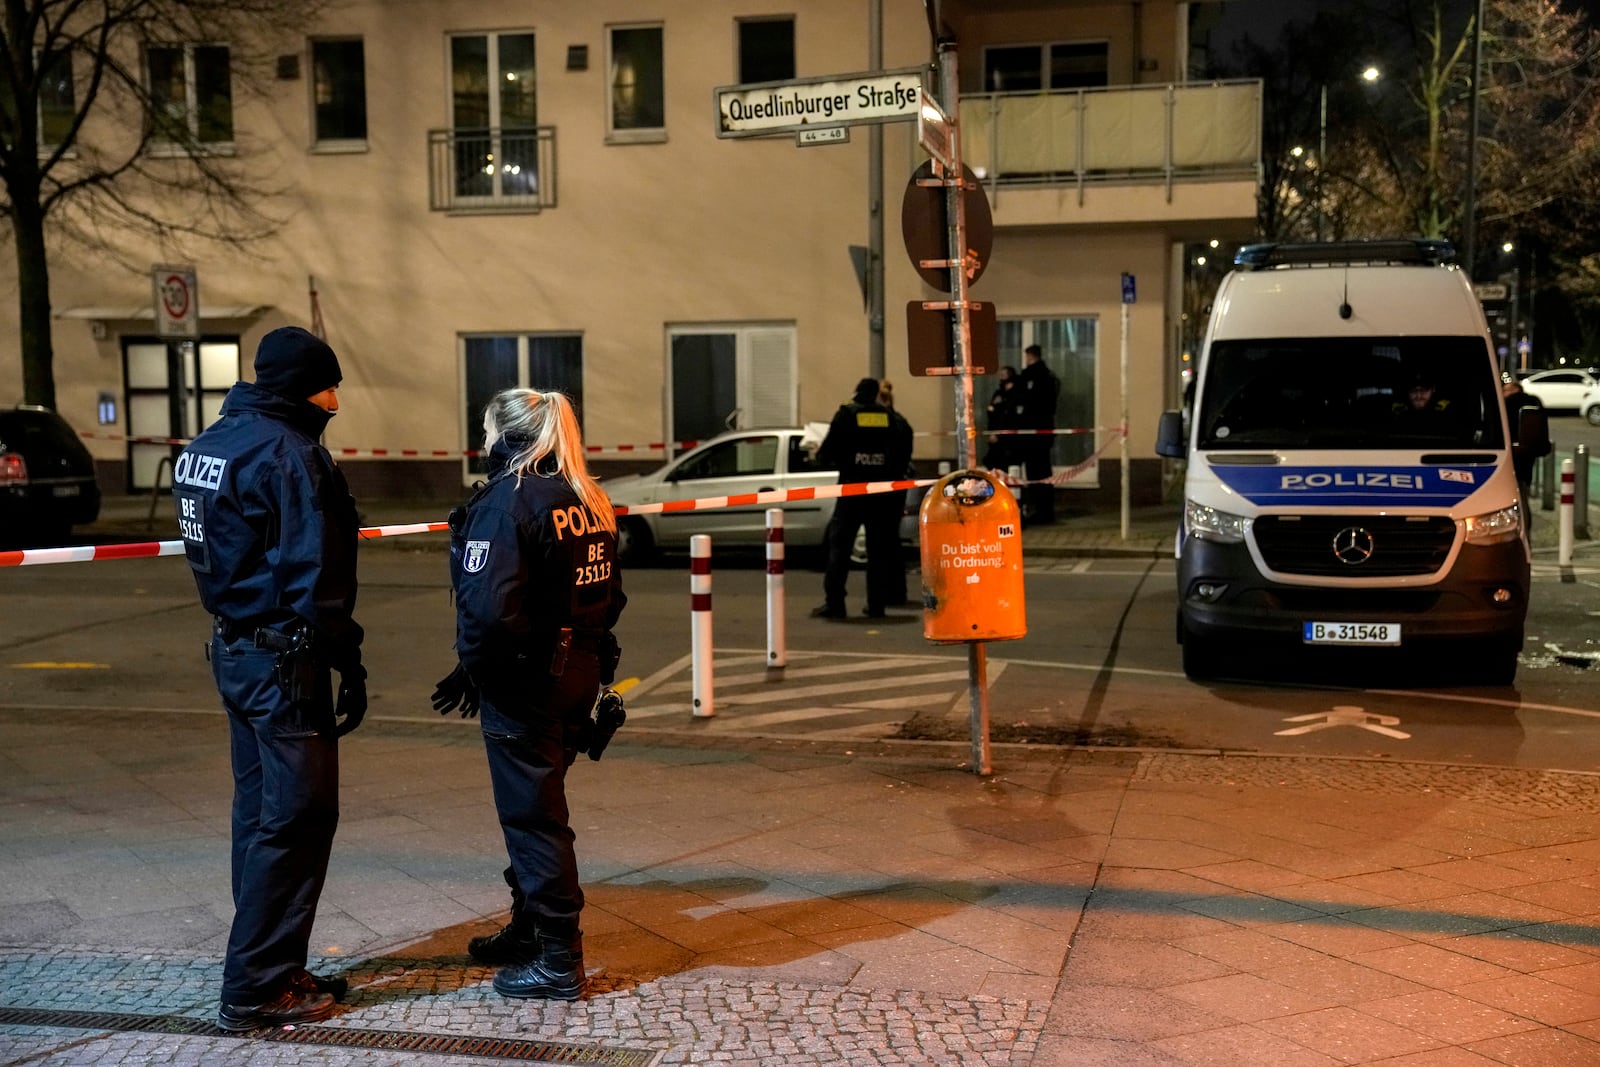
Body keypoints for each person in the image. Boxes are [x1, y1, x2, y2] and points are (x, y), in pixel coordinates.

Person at [173, 325, 366, 1032]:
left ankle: (275, 963)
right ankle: (256, 986)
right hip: (285, 661)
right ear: (295, 388)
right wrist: (344, 653)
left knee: (259, 819)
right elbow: (313, 576)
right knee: (297, 817)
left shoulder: (208, 446)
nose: (335, 402)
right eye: (326, 387)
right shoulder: (289, 454)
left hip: (235, 652)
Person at [433, 388, 626, 1001]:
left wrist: (477, 668)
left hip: (526, 681)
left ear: (505, 435)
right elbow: (610, 596)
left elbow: (490, 612)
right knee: (538, 802)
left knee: (533, 817)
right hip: (578, 672)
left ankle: (557, 957)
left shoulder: (509, 501)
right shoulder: (587, 497)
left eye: (487, 431)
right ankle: (529, 927)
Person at [813, 377, 913, 619]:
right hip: (880, 495)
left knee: (840, 549)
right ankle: (876, 605)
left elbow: (826, 454)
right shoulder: (889, 418)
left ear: (856, 392)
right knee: (878, 552)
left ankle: (835, 604)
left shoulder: (846, 414)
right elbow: (902, 456)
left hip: (851, 492)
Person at [1015, 344, 1060, 524]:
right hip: (1043, 432)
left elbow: (1024, 399)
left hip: (1032, 432)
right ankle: (1045, 510)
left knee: (1035, 473)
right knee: (1043, 471)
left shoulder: (1033, 376)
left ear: (1030, 357)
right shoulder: (1048, 376)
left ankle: (1040, 512)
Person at [1503, 376, 1551, 531]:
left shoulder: (1508, 404)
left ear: (1515, 389)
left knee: (1518, 495)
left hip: (1511, 456)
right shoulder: (1535, 403)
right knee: (1523, 493)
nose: (1503, 392)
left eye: (1506, 390)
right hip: (1529, 454)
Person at [983, 366, 1019, 471]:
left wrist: (999, 434)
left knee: (1007, 465)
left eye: (1003, 375)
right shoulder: (999, 394)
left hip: (1008, 439)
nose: (1001, 378)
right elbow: (991, 412)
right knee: (992, 462)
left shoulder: (1015, 395)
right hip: (995, 434)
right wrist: (992, 433)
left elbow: (1009, 417)